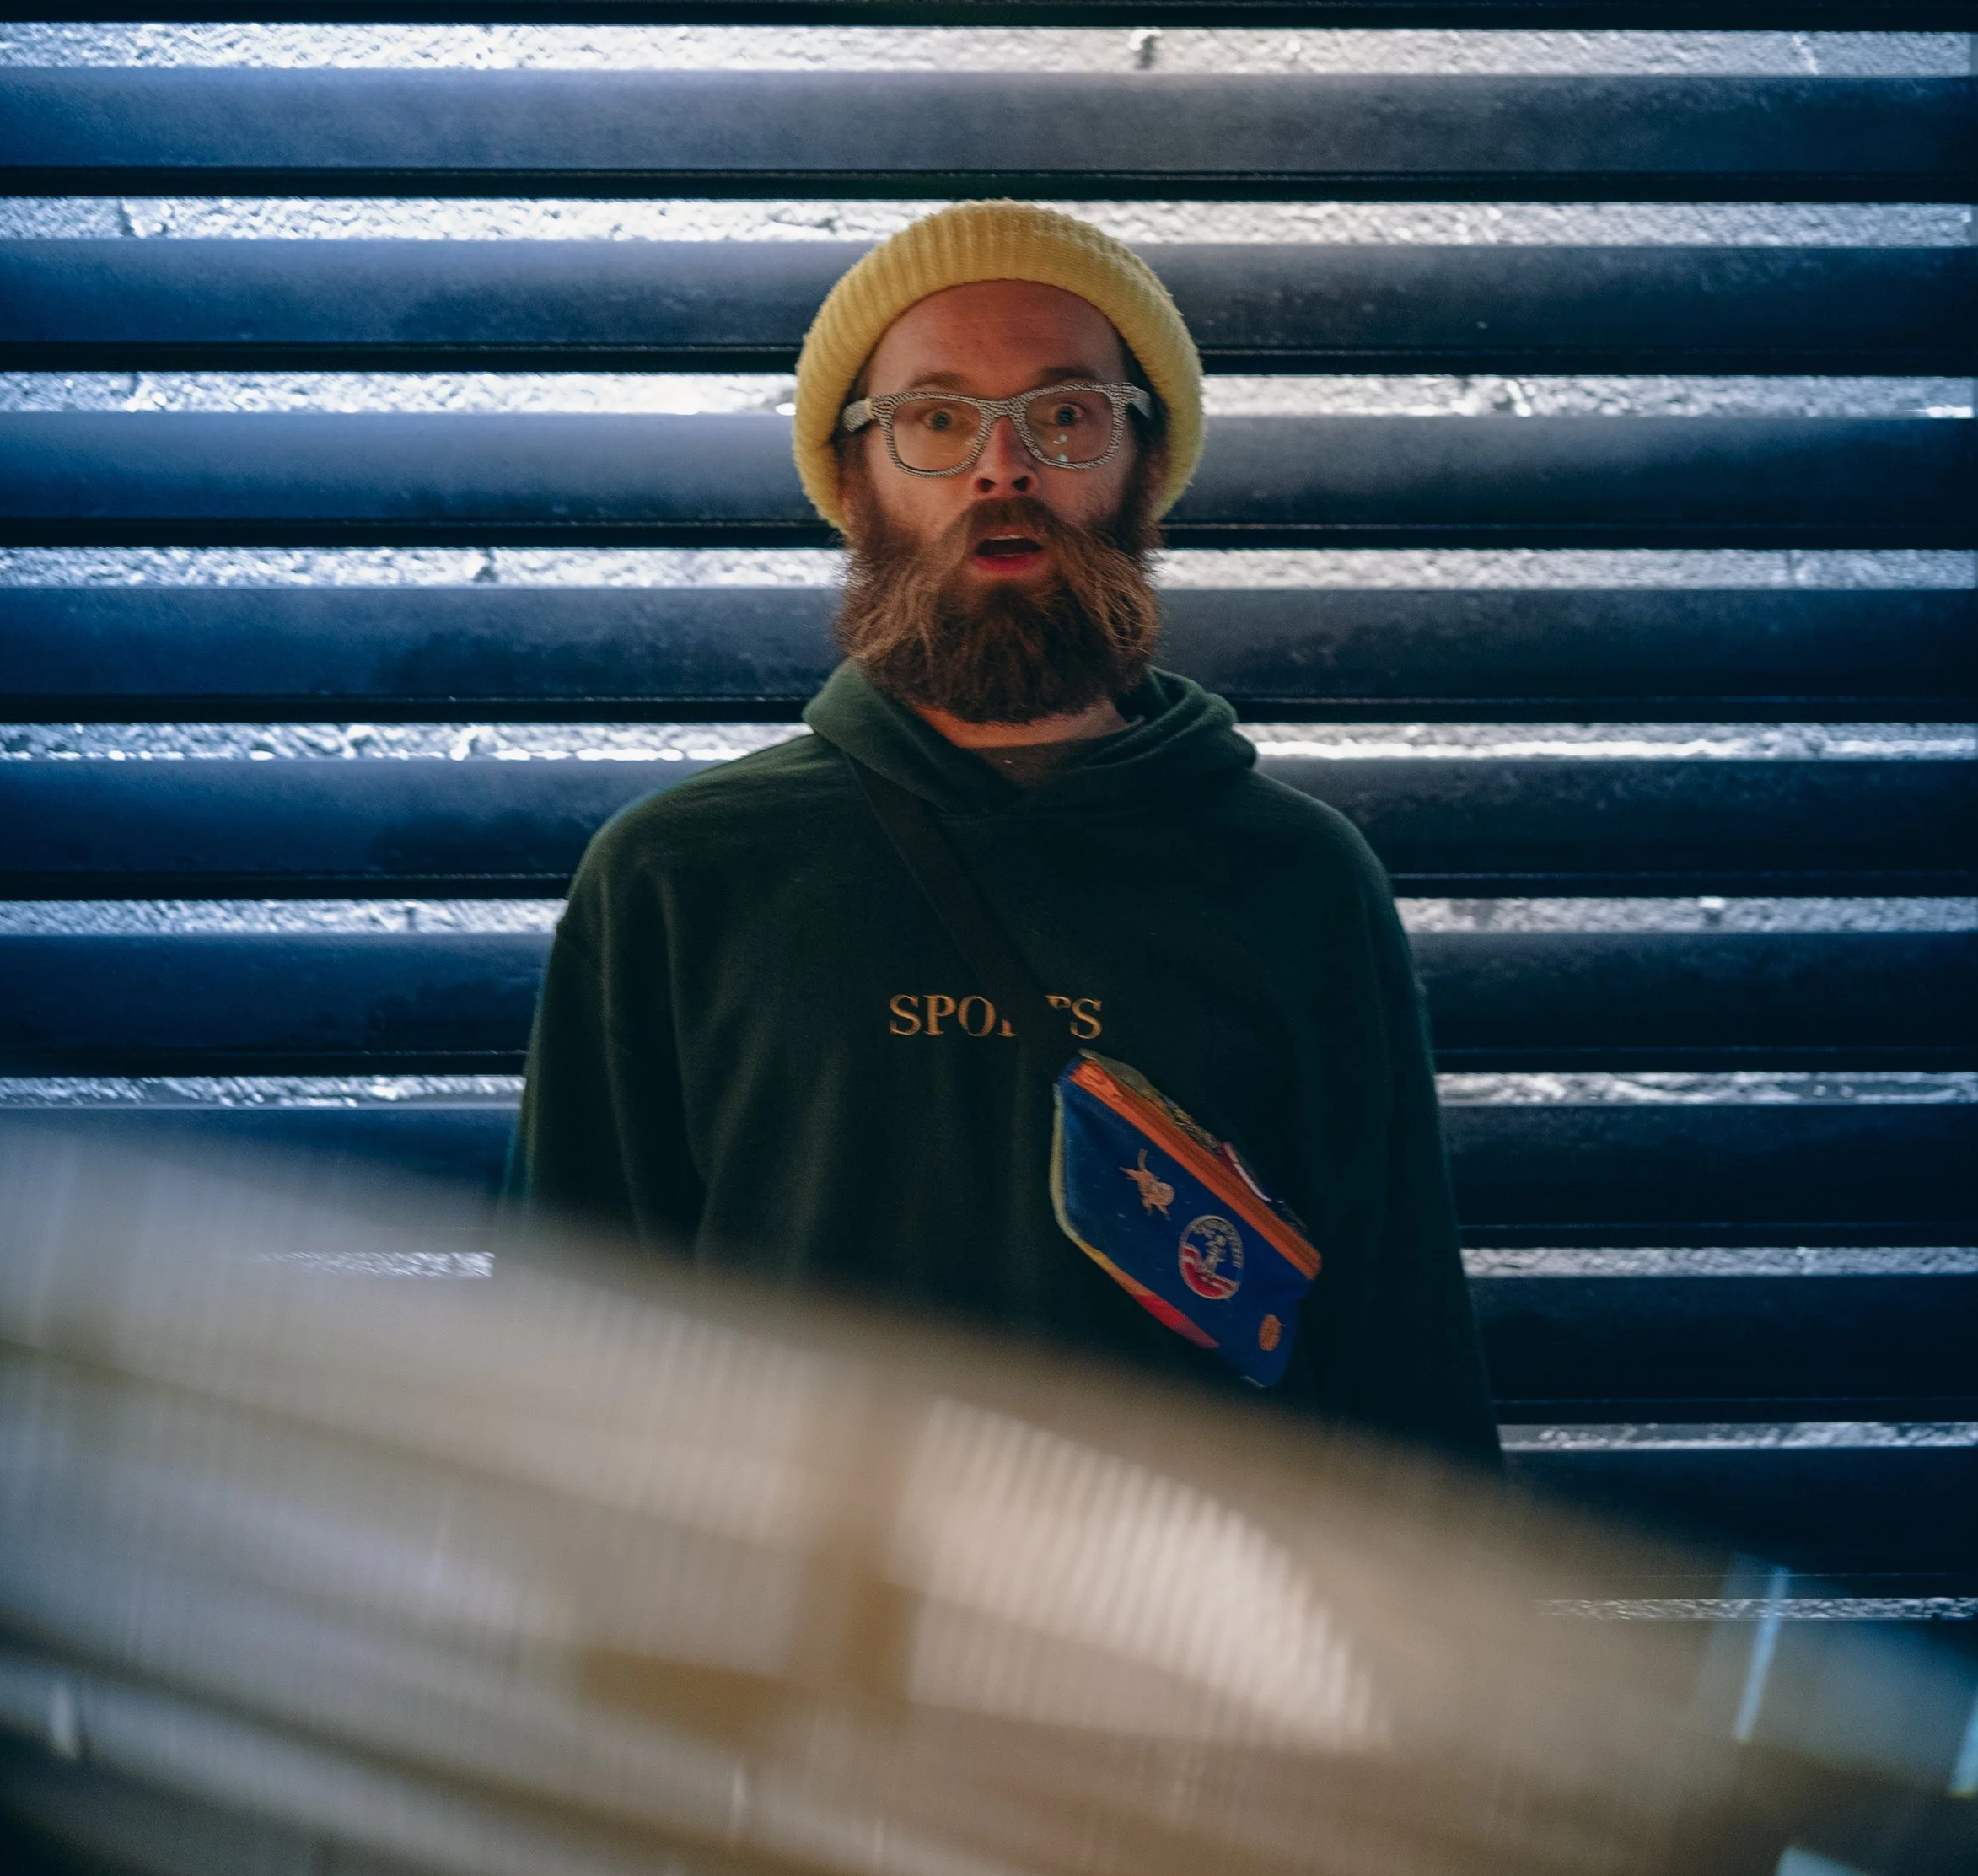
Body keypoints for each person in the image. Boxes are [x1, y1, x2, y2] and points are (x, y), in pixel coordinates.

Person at [513, 201, 1497, 1461]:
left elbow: (1402, 1375)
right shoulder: (679, 877)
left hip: (1177, 1646)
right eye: (935, 419)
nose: (1002, 467)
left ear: (1143, 461)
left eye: (1065, 413)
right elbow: (565, 1369)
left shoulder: (1297, 880)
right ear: (853, 473)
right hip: (785, 1650)